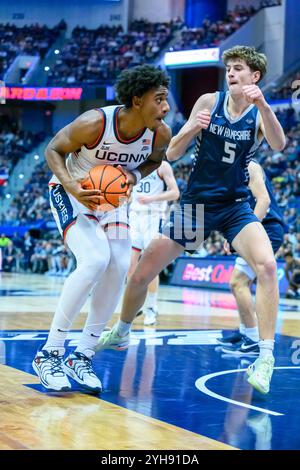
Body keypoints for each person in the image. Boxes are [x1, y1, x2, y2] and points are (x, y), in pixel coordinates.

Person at [96, 46, 286, 395]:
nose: (230, 73)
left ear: (254, 77)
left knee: (267, 267)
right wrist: (190, 129)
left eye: (238, 68)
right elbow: (172, 152)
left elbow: (279, 144)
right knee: (141, 273)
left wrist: (263, 104)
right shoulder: (208, 102)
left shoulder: (259, 113)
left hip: (234, 206)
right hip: (197, 205)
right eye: (228, 68)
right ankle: (122, 330)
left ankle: (266, 357)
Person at [32, 64, 171, 392]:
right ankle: (50, 352)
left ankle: (81, 355)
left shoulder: (160, 133)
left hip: (113, 201)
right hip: (73, 192)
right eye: (159, 99)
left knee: (120, 264)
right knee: (95, 259)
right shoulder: (95, 122)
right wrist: (73, 186)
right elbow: (53, 149)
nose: (166, 107)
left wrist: (133, 177)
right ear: (137, 101)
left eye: (167, 100)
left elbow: (154, 161)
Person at [217, 159, 284, 355]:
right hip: (262, 227)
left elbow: (264, 201)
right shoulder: (233, 170)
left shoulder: (249, 165)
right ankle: (247, 331)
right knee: (238, 284)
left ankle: (254, 339)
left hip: (267, 227)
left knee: (238, 282)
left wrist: (247, 230)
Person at [128, 160, 179, 326]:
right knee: (130, 266)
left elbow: (175, 193)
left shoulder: (162, 166)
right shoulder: (133, 163)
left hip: (154, 216)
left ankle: (151, 308)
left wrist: (152, 199)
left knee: (150, 267)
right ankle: (137, 305)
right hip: (134, 216)